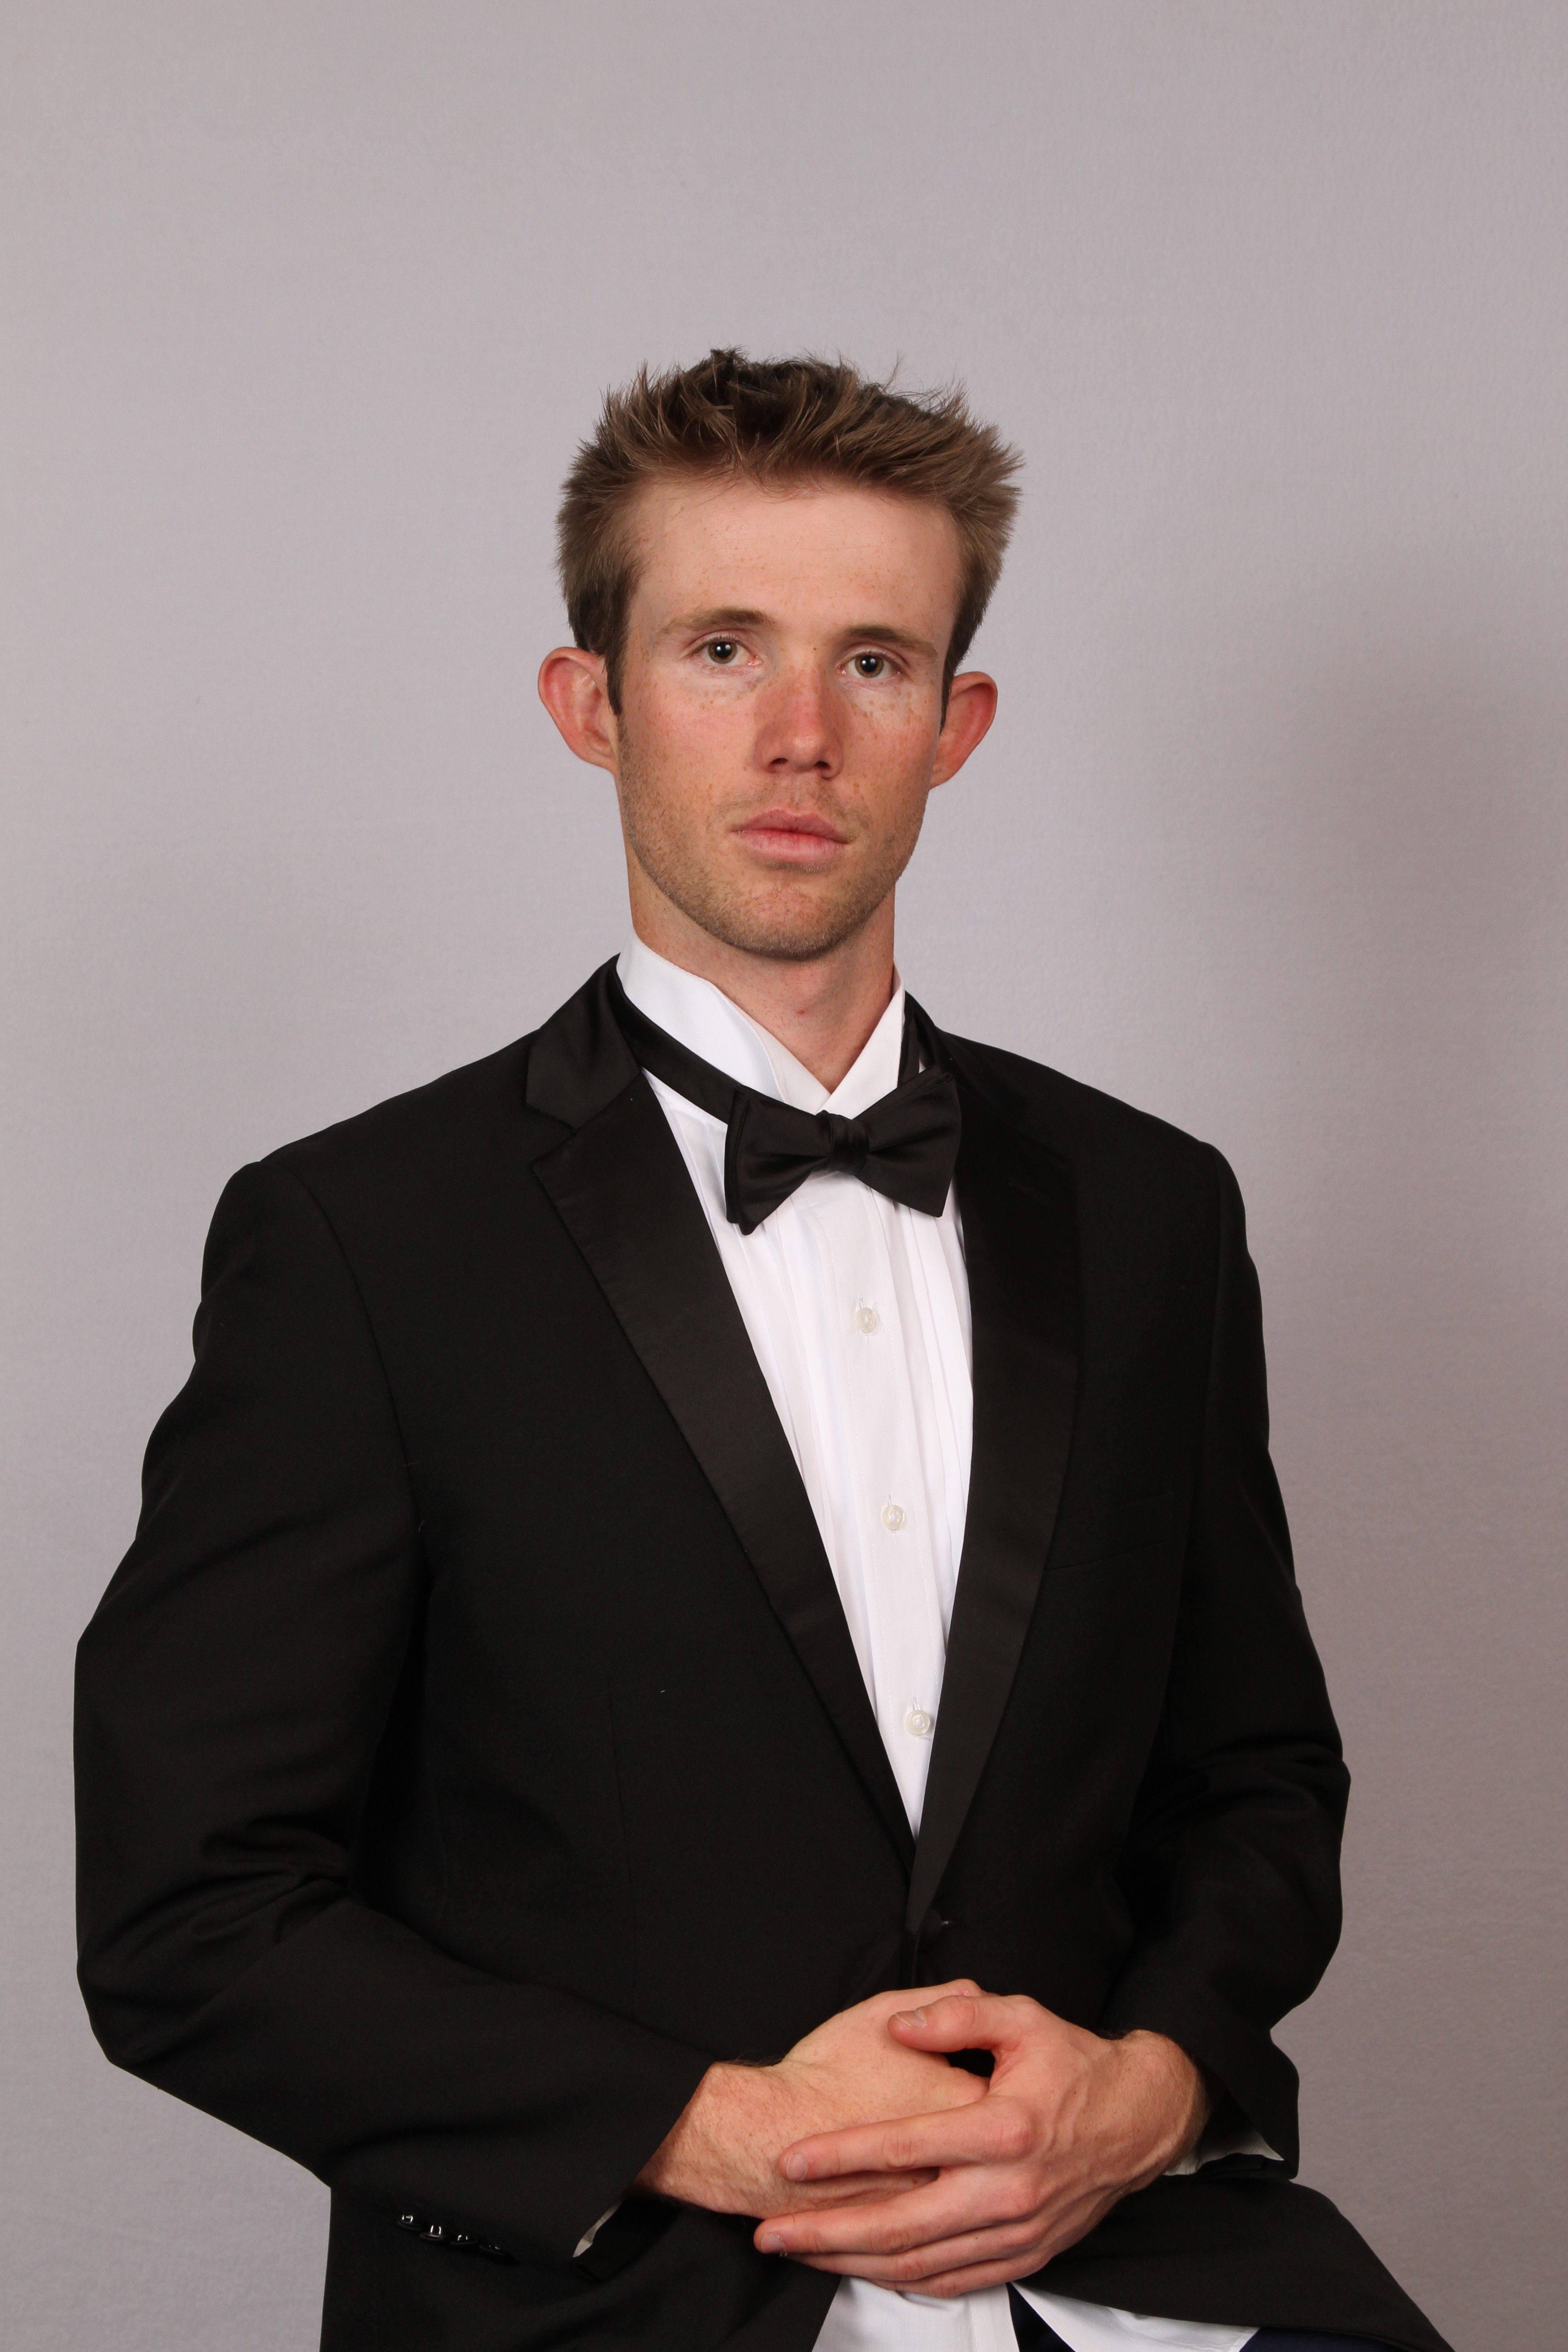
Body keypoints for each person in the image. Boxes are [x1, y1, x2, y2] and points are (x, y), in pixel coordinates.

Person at [74, 351, 1450, 2352]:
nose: (803, 735)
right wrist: (719, 2131)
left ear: (956, 726)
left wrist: (1152, 2093)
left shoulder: (1154, 1210)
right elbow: (190, 1916)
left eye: (874, 664)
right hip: (621, 2301)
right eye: (724, 650)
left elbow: (1255, 1776)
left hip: (1130, 2274)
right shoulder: (361, 1242)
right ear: (593, 704)